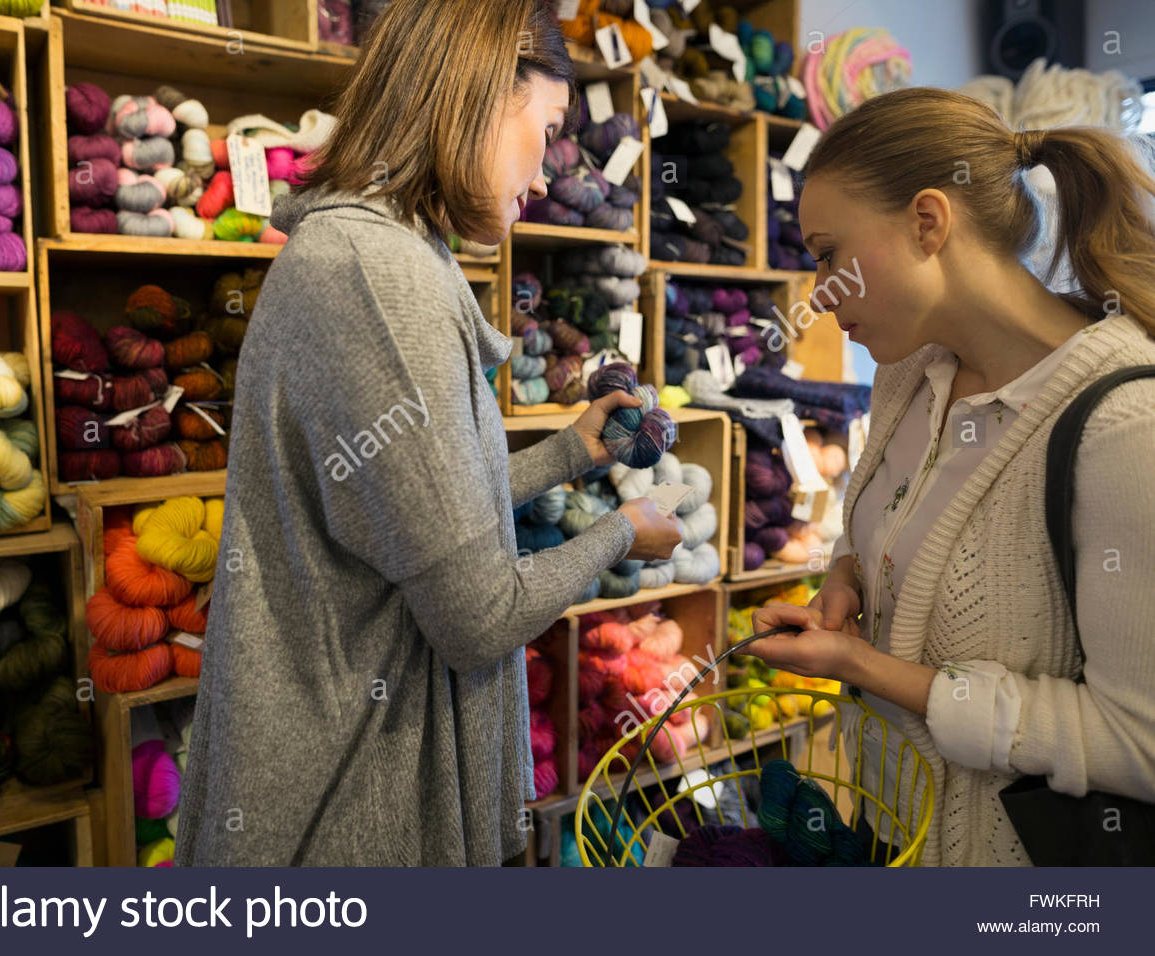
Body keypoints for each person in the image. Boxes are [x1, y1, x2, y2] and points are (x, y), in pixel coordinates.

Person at [172, 0, 682, 867]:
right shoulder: (380, 278)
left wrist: (570, 453)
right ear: (480, 92)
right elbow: (480, 617)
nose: (554, 174)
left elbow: (416, 507)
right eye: (549, 125)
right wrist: (622, 534)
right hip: (355, 815)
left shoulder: (387, 254)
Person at [747, 87, 1155, 865]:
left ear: (929, 223)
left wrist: (869, 669)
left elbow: (1140, 743)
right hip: (893, 839)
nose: (820, 291)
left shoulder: (1126, 426)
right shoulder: (911, 372)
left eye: (829, 255)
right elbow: (887, 531)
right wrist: (848, 579)